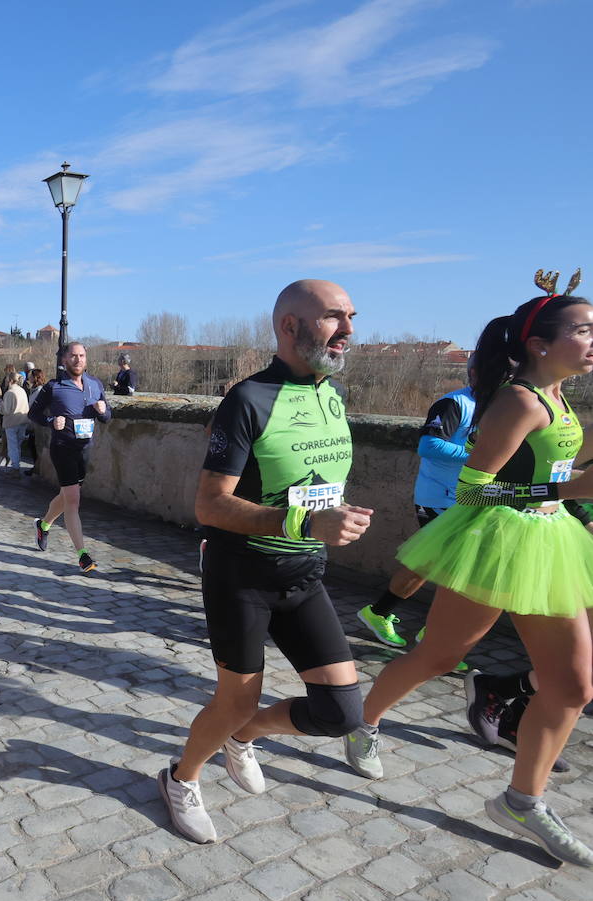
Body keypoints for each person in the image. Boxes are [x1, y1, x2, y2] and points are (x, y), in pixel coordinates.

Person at [342, 287, 593, 866]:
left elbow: (552, 472)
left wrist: (572, 494)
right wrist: (562, 489)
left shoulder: (559, 397)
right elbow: (473, 490)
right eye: (582, 330)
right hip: (496, 542)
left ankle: (522, 801)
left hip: (550, 542)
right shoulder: (520, 401)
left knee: (574, 686)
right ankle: (363, 722)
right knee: (437, 656)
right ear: (539, 344)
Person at [160, 279, 369, 845]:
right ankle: (181, 777)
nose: (349, 330)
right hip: (243, 577)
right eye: (334, 317)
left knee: (341, 713)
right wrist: (305, 523)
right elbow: (209, 505)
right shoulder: (248, 399)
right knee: (235, 700)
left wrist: (332, 515)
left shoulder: (333, 394)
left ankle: (242, 736)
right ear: (290, 327)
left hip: (304, 574)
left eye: (352, 316)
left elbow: (309, 481)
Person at [356, 368, 478, 649]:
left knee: (427, 562)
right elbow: (429, 446)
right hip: (440, 498)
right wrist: (479, 457)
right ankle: (436, 640)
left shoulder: (502, 405)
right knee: (458, 570)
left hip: (469, 498)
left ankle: (380, 613)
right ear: (475, 372)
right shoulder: (455, 403)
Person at [29, 342, 109, 573]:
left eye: (82, 355)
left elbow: (107, 417)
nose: (78, 360)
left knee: (66, 496)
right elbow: (33, 413)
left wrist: (103, 411)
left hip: (84, 449)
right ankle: (83, 556)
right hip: (62, 447)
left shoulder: (95, 384)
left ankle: (43, 525)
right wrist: (51, 421)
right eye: (73, 356)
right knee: (73, 499)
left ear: (86, 358)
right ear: (64, 360)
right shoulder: (54, 387)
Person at [0, 369, 29, 473]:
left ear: (10, 380)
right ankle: (16, 465)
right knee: (18, 446)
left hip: (12, 422)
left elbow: (5, 410)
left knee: (12, 446)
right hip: (23, 421)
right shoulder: (22, 391)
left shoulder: (10, 392)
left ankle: (15, 467)